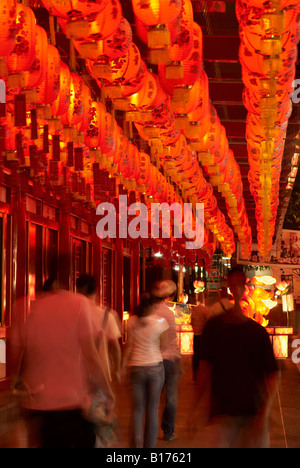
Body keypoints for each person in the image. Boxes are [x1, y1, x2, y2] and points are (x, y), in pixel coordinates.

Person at [191, 267, 279, 448]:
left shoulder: (258, 332)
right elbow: (205, 368)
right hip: (222, 413)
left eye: (240, 283)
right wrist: (195, 408)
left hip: (252, 412)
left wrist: (265, 412)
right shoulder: (214, 327)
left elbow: (272, 374)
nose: (236, 288)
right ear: (229, 287)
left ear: (245, 285)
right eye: (233, 284)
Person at [19, 284, 114, 448]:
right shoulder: (79, 304)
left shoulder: (35, 310)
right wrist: (108, 393)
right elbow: (91, 356)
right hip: (74, 404)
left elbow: (24, 355)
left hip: (42, 404)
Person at [122, 294, 169, 448]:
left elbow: (129, 345)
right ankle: (149, 446)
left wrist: (123, 366)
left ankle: (135, 445)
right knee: (152, 409)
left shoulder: (132, 321)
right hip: (155, 366)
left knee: (137, 409)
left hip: (136, 367)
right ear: (151, 307)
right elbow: (163, 345)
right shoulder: (160, 322)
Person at [151, 280, 182, 441]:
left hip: (151, 360)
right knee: (170, 397)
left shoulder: (147, 312)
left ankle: (150, 433)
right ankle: (168, 431)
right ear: (170, 296)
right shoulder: (168, 313)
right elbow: (171, 338)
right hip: (169, 359)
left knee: (152, 399)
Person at [76, 275, 122, 383]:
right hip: (101, 372)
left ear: (77, 291)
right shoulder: (107, 315)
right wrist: (117, 370)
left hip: (76, 372)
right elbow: (115, 347)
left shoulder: (71, 315)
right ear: (96, 290)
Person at [191, 288, 234, 381]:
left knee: (198, 355)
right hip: (229, 337)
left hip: (199, 335)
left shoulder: (211, 308)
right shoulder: (233, 307)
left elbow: (208, 321)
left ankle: (197, 374)